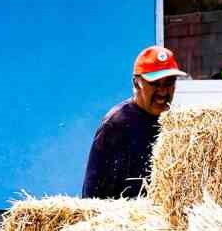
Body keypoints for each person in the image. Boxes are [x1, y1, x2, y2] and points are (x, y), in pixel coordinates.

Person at [80, 45, 188, 199]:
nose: (163, 92)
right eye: (155, 83)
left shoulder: (177, 124)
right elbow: (92, 196)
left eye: (169, 83)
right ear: (136, 82)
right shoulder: (116, 125)